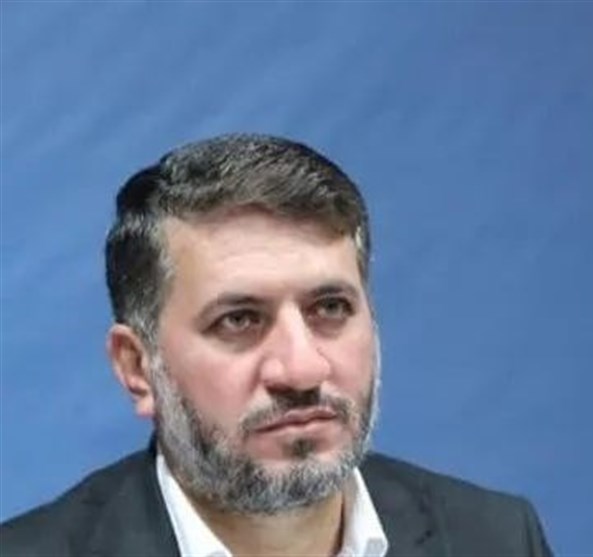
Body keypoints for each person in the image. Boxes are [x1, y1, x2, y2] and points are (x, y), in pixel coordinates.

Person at [0, 134, 552, 557]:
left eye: (330, 308)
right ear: (138, 368)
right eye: (239, 320)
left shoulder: (495, 539)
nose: (303, 369)